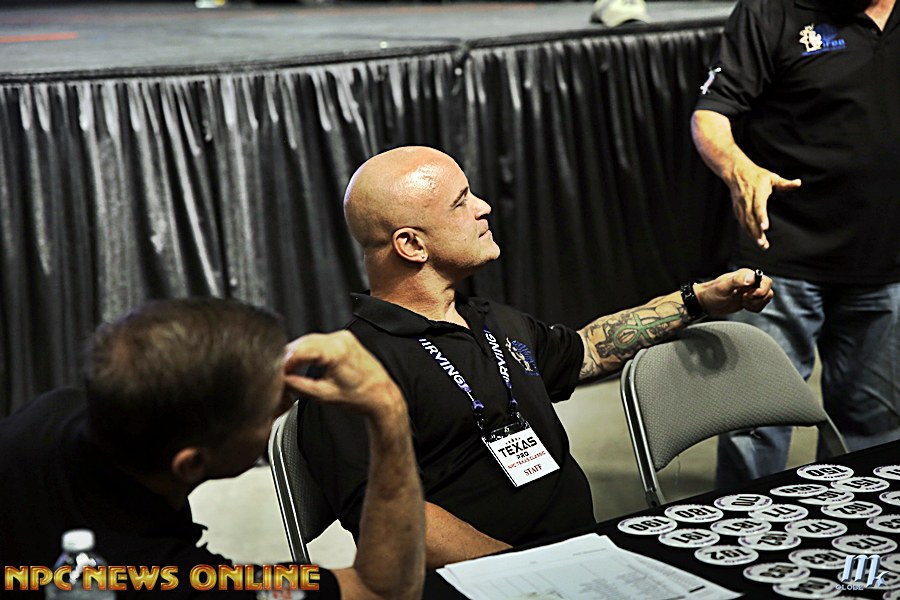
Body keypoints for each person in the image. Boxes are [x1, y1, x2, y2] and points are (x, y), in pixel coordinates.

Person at [298, 145, 774, 568]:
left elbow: (588, 349)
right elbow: (390, 520)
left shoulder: (490, 319)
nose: (484, 207)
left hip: (580, 556)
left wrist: (696, 300)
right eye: (461, 202)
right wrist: (526, 570)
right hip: (490, 582)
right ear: (411, 244)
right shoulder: (352, 370)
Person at [0, 298, 424, 600]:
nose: (286, 403)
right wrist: (388, 409)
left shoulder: (54, 410)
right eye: (268, 412)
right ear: (191, 464)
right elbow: (380, 590)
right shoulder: (172, 580)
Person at [691, 0, 900, 486]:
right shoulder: (770, 11)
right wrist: (739, 169)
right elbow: (710, 115)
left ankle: (856, 534)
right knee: (755, 431)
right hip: (780, 260)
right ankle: (743, 530)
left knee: (875, 437)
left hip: (886, 262)